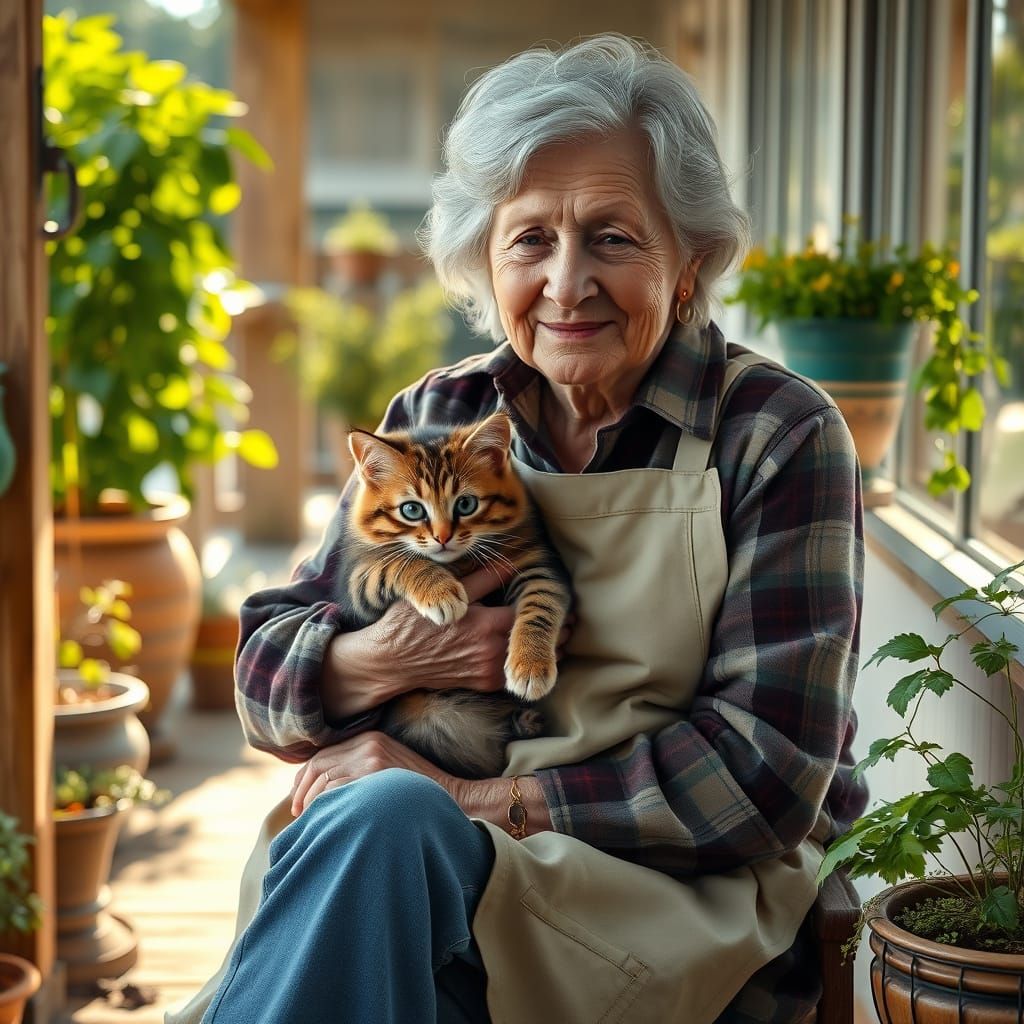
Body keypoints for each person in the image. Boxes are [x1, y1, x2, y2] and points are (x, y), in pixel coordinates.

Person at [179, 33, 867, 1024]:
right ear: (483, 259)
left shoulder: (776, 433)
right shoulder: (439, 416)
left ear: (691, 261)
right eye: (530, 239)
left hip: (671, 905)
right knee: (374, 847)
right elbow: (263, 683)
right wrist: (376, 660)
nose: (565, 282)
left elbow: (763, 777)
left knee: (377, 844)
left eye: (613, 238)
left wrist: (461, 803)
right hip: (419, 878)